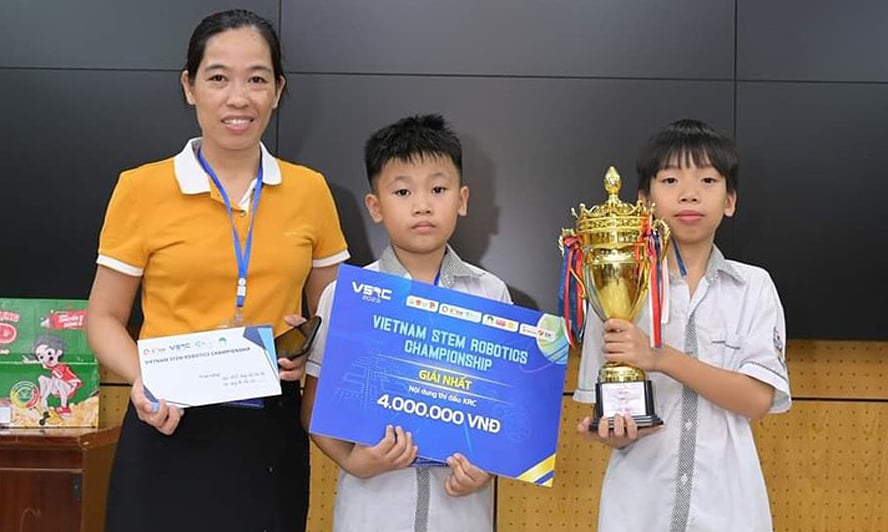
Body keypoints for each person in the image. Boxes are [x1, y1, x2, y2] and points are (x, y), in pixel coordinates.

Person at [85, 10, 349, 532]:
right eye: (218, 77)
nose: (238, 97)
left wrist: (309, 349)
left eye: (256, 78)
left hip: (267, 432)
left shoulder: (310, 191)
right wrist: (144, 381)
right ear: (189, 86)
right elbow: (103, 318)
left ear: (277, 90)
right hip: (166, 421)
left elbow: (338, 313)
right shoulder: (141, 189)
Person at [574, 119, 791, 531]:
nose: (689, 193)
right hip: (638, 512)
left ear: (730, 200)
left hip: (729, 511)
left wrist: (661, 358)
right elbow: (609, 413)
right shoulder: (611, 281)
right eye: (671, 179)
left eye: (708, 180)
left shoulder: (753, 287)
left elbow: (757, 399)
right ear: (643, 201)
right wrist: (612, 431)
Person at [301, 114, 509, 531]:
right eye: (402, 191)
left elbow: (502, 415)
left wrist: (485, 468)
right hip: (373, 512)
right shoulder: (347, 297)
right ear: (375, 206)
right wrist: (353, 461)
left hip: (461, 515)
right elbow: (313, 410)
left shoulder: (490, 295)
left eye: (438, 188)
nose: (422, 205)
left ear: (463, 199)